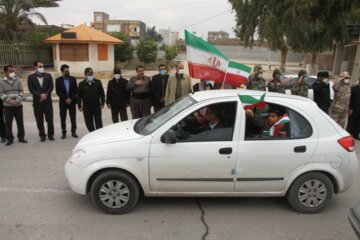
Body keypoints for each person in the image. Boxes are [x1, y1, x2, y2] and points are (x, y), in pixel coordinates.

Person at [28, 60, 55, 142]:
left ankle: (51, 135)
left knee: (49, 119)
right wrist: (40, 95)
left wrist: (45, 95)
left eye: (43, 66)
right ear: (35, 67)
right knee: (39, 120)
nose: (42, 68)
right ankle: (42, 135)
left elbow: (51, 87)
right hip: (37, 102)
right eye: (40, 66)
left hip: (47, 102)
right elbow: (31, 89)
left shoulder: (48, 76)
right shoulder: (31, 77)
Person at [0, 65, 27, 146]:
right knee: (8, 123)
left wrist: (18, 100)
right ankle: (9, 139)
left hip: (18, 105)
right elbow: (1, 94)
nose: (12, 73)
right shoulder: (1, 82)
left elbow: (21, 91)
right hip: (8, 106)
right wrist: (11, 101)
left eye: (13, 71)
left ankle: (21, 137)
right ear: (5, 72)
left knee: (20, 122)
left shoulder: (17, 80)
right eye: (10, 71)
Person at [77, 67, 105, 132]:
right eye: (88, 74)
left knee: (98, 122)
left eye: (91, 74)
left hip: (96, 106)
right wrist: (79, 106)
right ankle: (92, 134)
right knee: (89, 123)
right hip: (87, 107)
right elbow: (79, 96)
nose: (90, 76)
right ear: (85, 75)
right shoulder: (81, 84)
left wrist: (102, 103)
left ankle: (99, 134)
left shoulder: (98, 82)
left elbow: (102, 93)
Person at [55, 64, 78, 139]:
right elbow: (58, 92)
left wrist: (71, 98)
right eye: (66, 71)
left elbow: (75, 90)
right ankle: (64, 132)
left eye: (68, 70)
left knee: (73, 117)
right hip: (63, 102)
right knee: (63, 118)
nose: (67, 72)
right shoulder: (58, 80)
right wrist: (65, 99)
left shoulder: (73, 79)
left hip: (72, 102)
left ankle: (73, 131)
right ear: (62, 71)